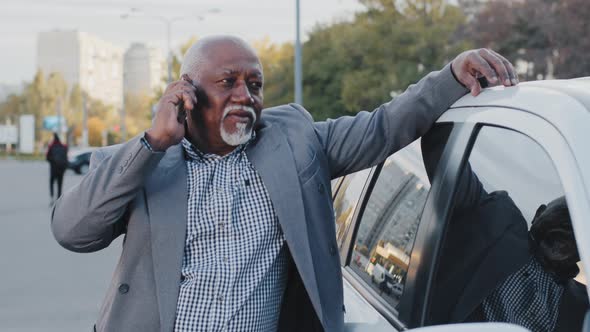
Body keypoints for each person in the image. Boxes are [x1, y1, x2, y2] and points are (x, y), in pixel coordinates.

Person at [50, 35, 518, 332]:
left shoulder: (295, 141)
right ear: (186, 92)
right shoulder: (143, 160)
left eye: (253, 84)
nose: (244, 95)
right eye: (227, 82)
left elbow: (383, 127)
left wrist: (451, 76)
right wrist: (153, 142)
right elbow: (73, 231)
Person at [422, 127, 588, 332]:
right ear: (538, 214)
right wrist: (450, 93)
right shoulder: (495, 217)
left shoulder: (583, 307)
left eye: (577, 231)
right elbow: (443, 155)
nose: (568, 230)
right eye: (564, 216)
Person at [46, 132, 68, 203]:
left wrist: (53, 161)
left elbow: (47, 158)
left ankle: (52, 197)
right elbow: (66, 158)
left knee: (52, 182)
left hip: (53, 169)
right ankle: (59, 199)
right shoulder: (64, 147)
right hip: (61, 169)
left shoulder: (51, 147)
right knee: (60, 184)